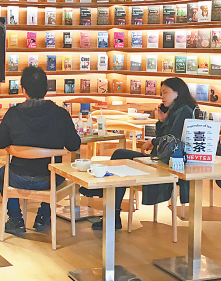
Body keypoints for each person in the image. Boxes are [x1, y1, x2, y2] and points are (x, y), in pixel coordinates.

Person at [84, 77, 197, 230]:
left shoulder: (184, 111)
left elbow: (173, 140)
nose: (162, 97)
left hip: (166, 165)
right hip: (159, 160)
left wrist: (152, 141)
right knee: (120, 157)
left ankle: (110, 210)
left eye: (165, 92)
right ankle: (111, 211)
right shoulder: (176, 111)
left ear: (177, 93)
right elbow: (165, 138)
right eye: (161, 93)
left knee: (119, 156)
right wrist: (161, 121)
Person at [0, 66, 81, 235]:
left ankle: (15, 220)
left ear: (23, 90)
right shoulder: (60, 114)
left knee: (3, 173)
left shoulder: (13, 114)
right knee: (59, 172)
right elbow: (74, 145)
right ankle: (43, 217)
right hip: (50, 179)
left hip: (18, 177)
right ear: (46, 89)